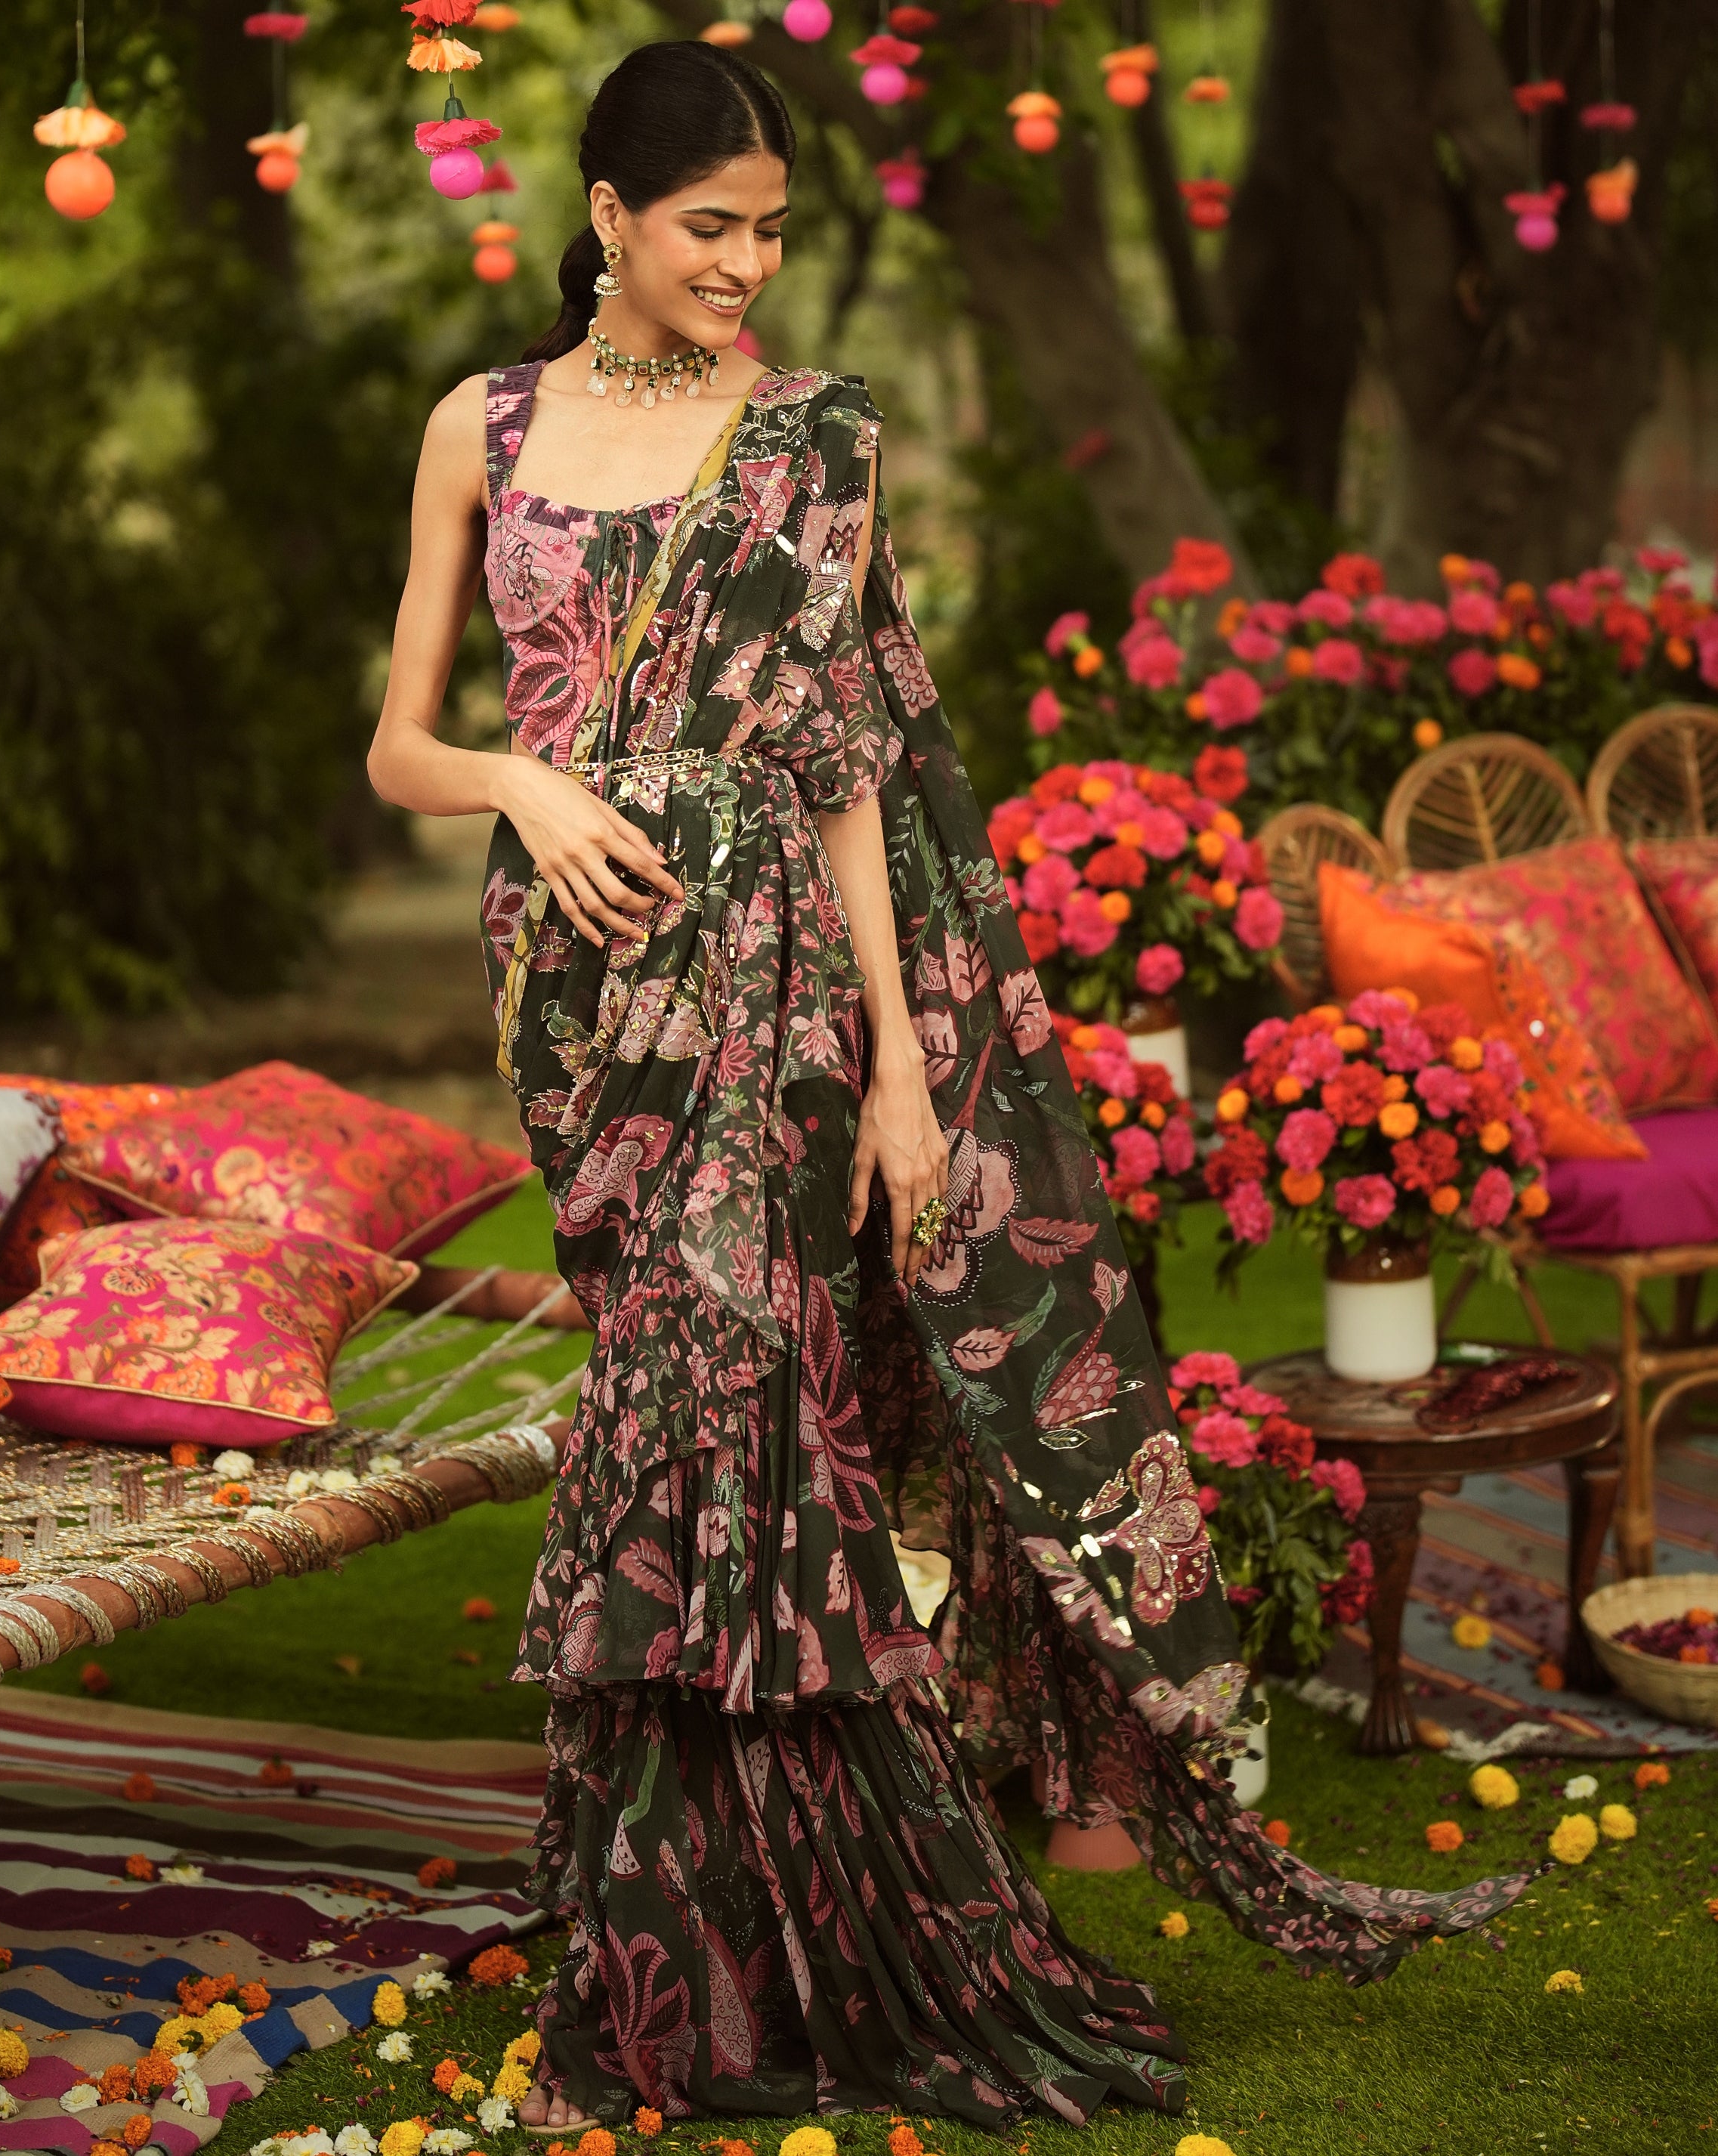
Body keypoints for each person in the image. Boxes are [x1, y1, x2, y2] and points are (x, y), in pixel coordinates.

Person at [366, 38, 1535, 2133]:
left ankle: (784, 1937)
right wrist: (524, 787)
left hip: (778, 986)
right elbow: (401, 749)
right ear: (609, 217)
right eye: (710, 227)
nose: (746, 265)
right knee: (667, 1408)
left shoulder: (815, 435)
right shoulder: (488, 423)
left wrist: (904, 1070)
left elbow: (846, 776)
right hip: (577, 994)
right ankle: (679, 1917)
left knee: (744, 1395)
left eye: (770, 232)